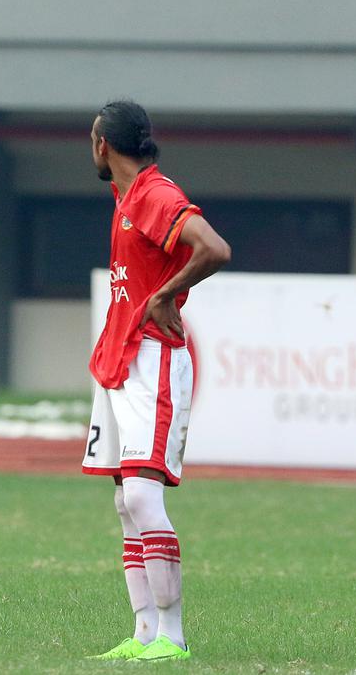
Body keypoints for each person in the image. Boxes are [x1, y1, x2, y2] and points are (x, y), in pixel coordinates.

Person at [82, 101, 231, 662]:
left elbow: (214, 247)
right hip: (119, 357)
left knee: (144, 497)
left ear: (102, 145)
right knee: (126, 500)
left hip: (154, 359)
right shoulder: (125, 195)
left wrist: (166, 295)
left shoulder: (154, 193)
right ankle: (144, 633)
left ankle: (174, 635)